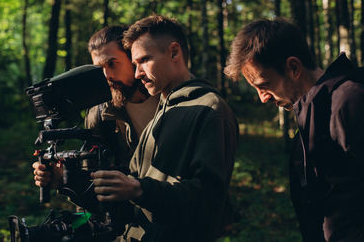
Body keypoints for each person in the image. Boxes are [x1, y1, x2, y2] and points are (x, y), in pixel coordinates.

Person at [91, 15, 239, 242]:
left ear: (174, 52)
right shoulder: (161, 113)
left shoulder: (210, 109)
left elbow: (208, 201)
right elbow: (132, 197)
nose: (138, 73)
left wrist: (138, 189)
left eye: (144, 60)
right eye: (135, 64)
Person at [224, 18, 364, 242]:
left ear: (293, 67)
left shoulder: (349, 101)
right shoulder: (312, 116)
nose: (262, 98)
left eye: (264, 85)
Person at [32, 25, 159, 198]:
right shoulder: (99, 115)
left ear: (132, 58)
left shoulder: (169, 100)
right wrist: (62, 180)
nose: (107, 75)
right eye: (99, 69)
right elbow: (95, 193)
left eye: (112, 64)